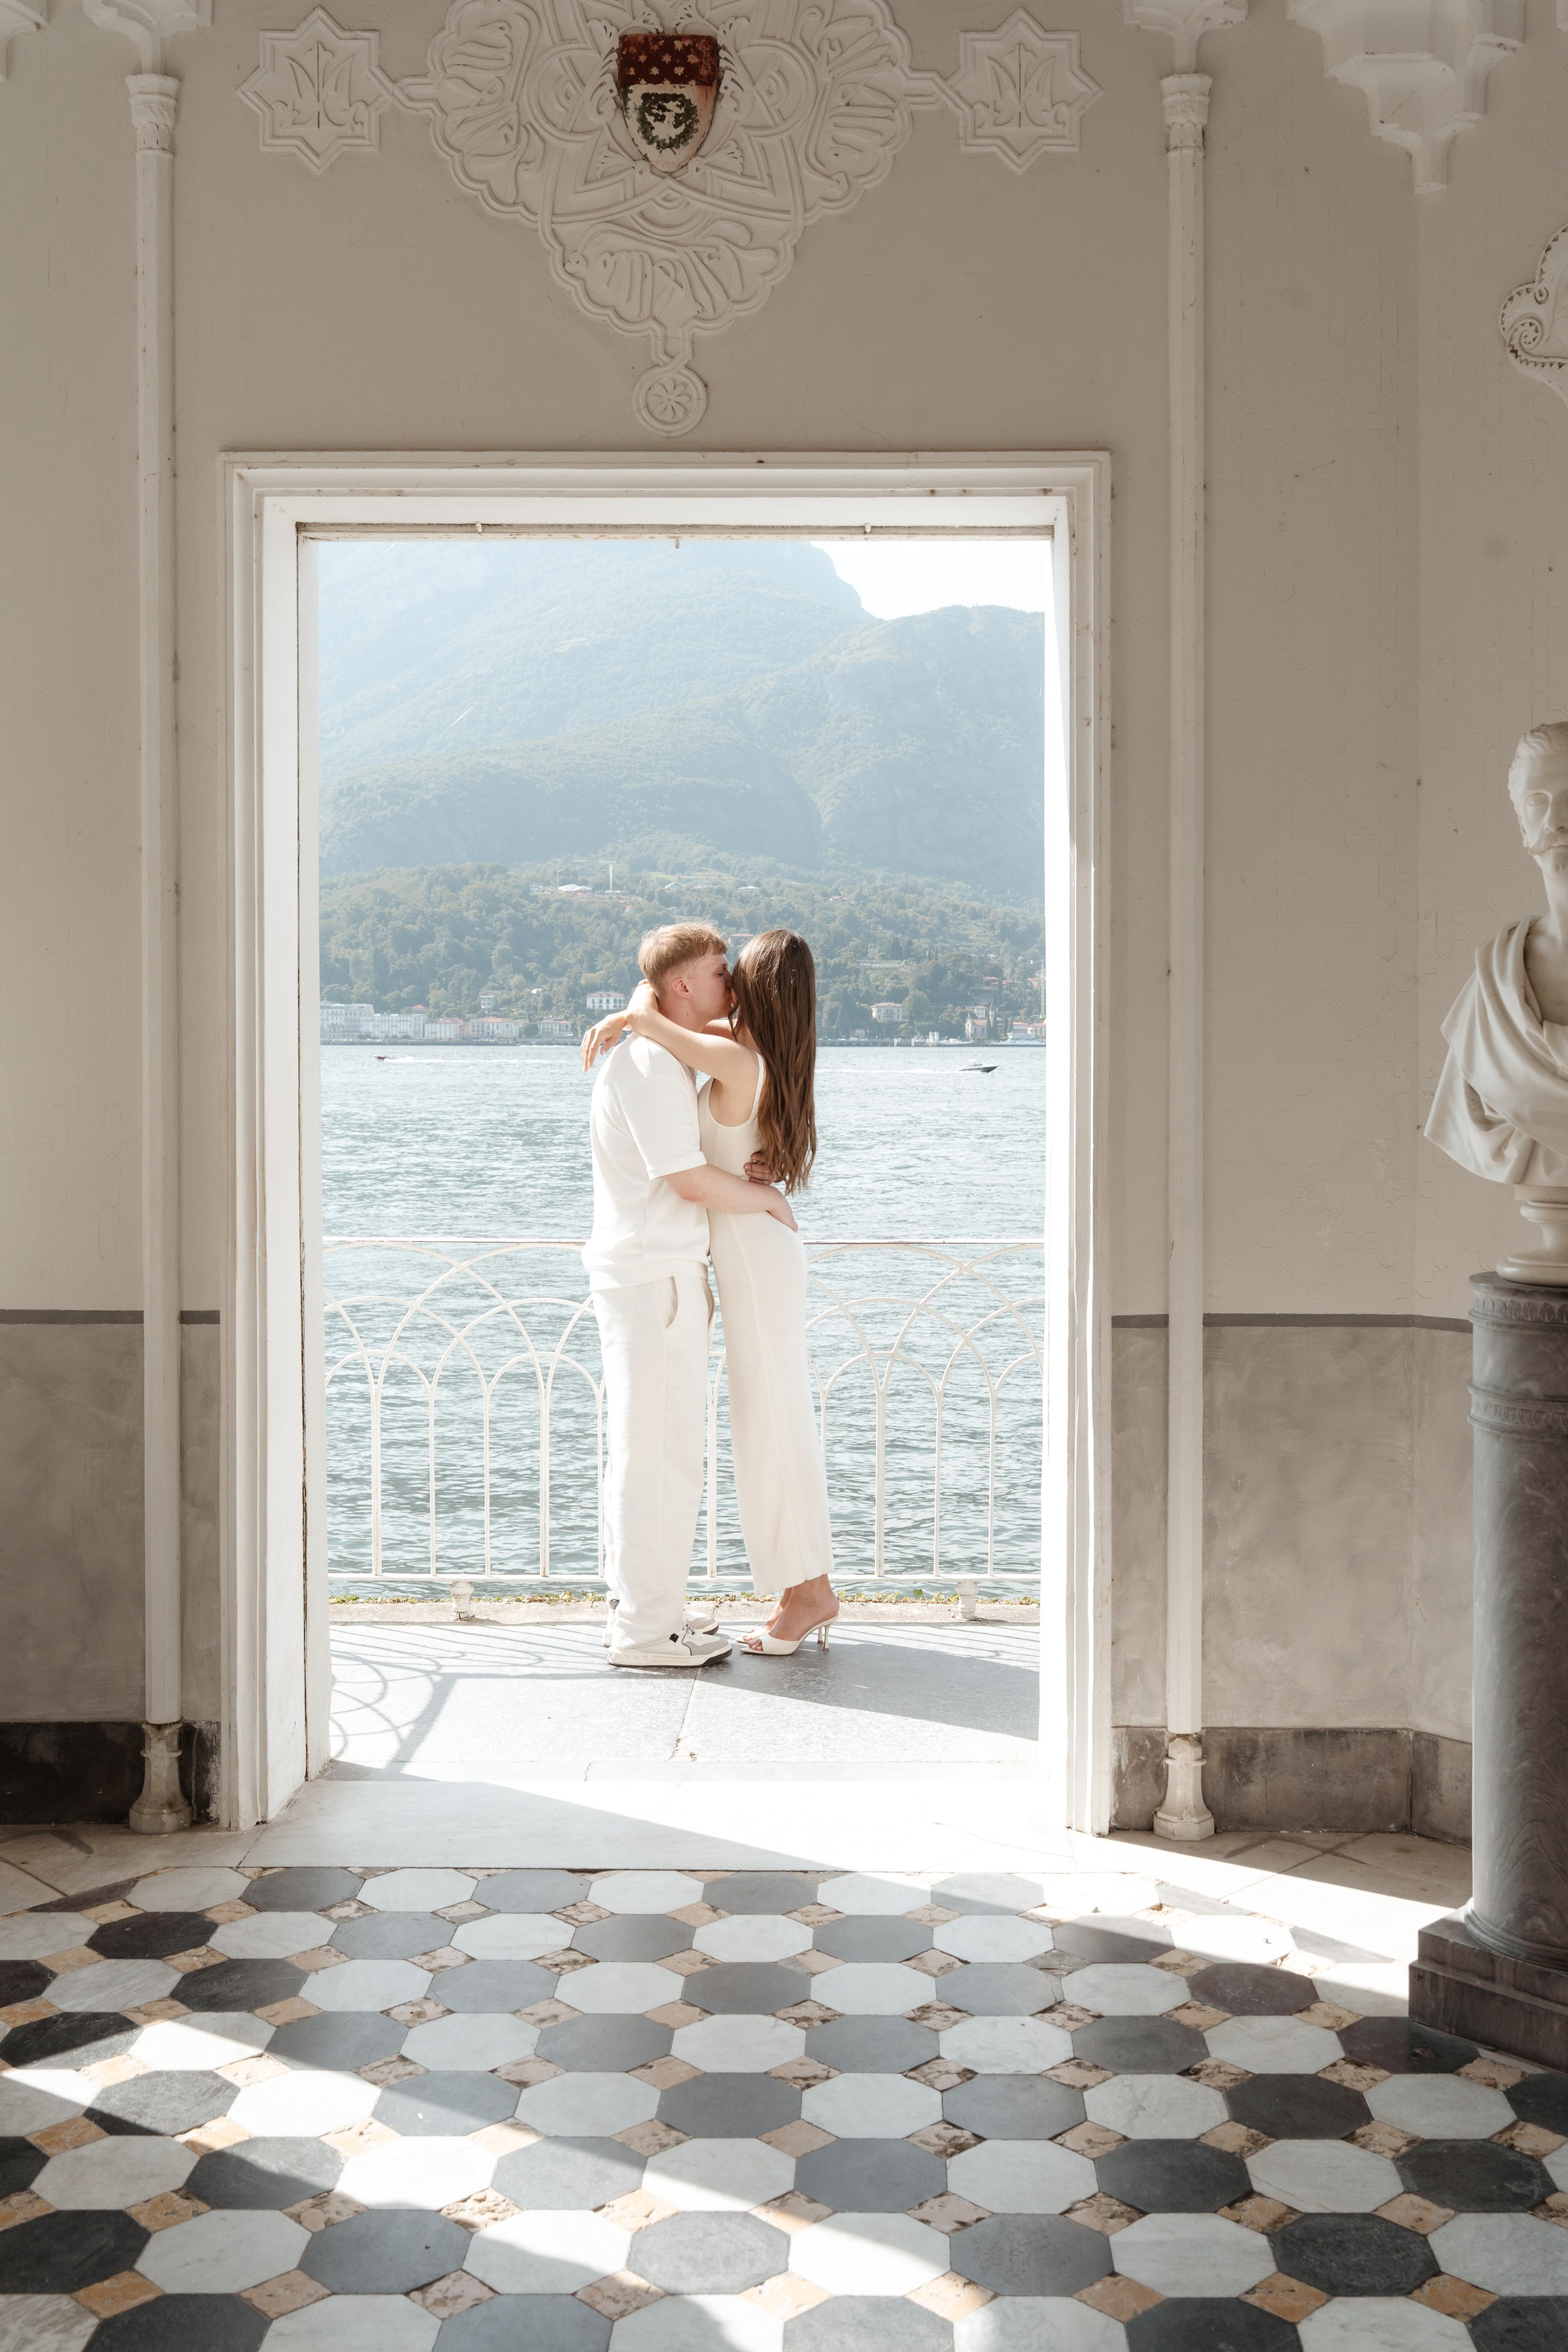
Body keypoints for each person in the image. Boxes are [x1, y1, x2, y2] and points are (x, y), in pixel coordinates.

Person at [584, 929, 839, 1656]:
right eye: (719, 975)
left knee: (773, 1419)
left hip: (753, 1254)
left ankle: (808, 1593)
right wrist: (642, 1002)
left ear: (755, 987)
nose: (726, 985)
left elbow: (655, 1016)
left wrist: (632, 1011)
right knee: (769, 1415)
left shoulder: (728, 1052)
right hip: (744, 1252)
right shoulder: (743, 1045)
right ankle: (799, 1587)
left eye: (736, 975)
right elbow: (663, 1007)